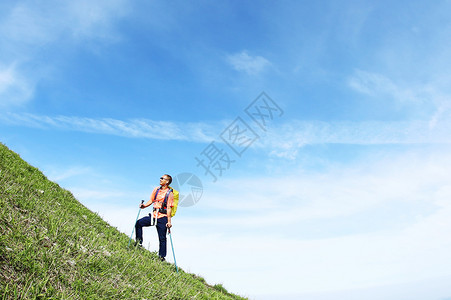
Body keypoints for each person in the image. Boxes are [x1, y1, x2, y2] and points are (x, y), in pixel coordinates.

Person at [135, 174, 174, 261]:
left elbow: (168, 208)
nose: (160, 179)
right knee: (139, 223)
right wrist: (144, 206)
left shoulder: (170, 194)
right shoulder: (156, 190)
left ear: (167, 181)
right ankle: (138, 244)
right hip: (154, 215)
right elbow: (152, 200)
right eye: (160, 178)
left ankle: (161, 257)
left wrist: (169, 222)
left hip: (162, 217)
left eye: (162, 178)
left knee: (162, 238)